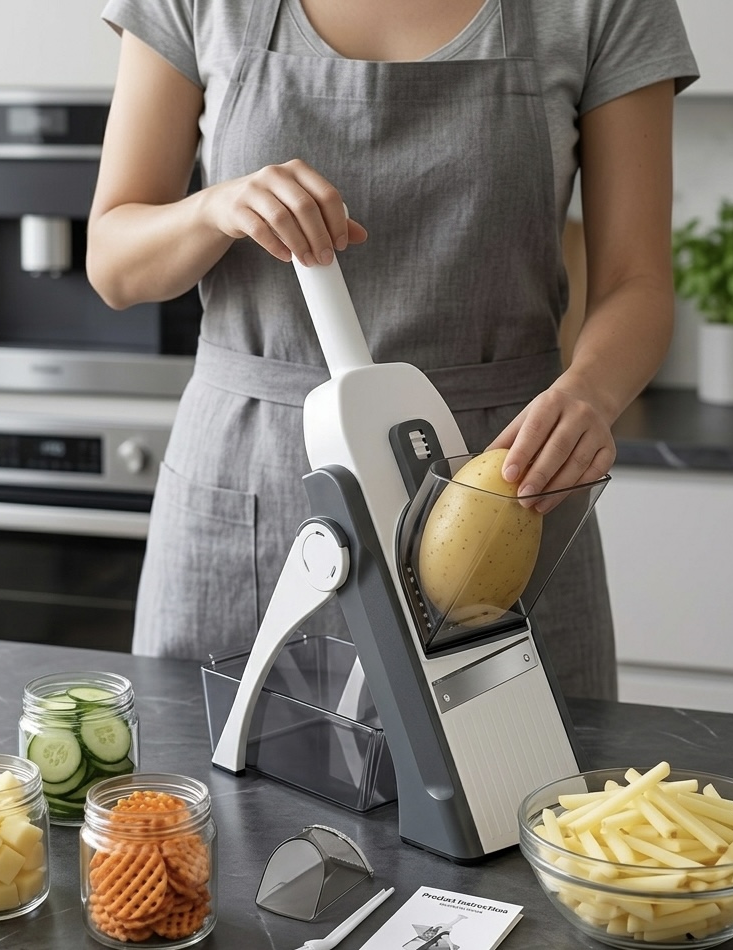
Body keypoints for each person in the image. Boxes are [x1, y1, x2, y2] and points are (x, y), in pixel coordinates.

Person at [87, 0, 698, 700]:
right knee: (215, 797)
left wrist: (590, 391)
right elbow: (115, 264)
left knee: (519, 799)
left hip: (498, 482)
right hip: (255, 478)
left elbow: (638, 281)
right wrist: (214, 209)